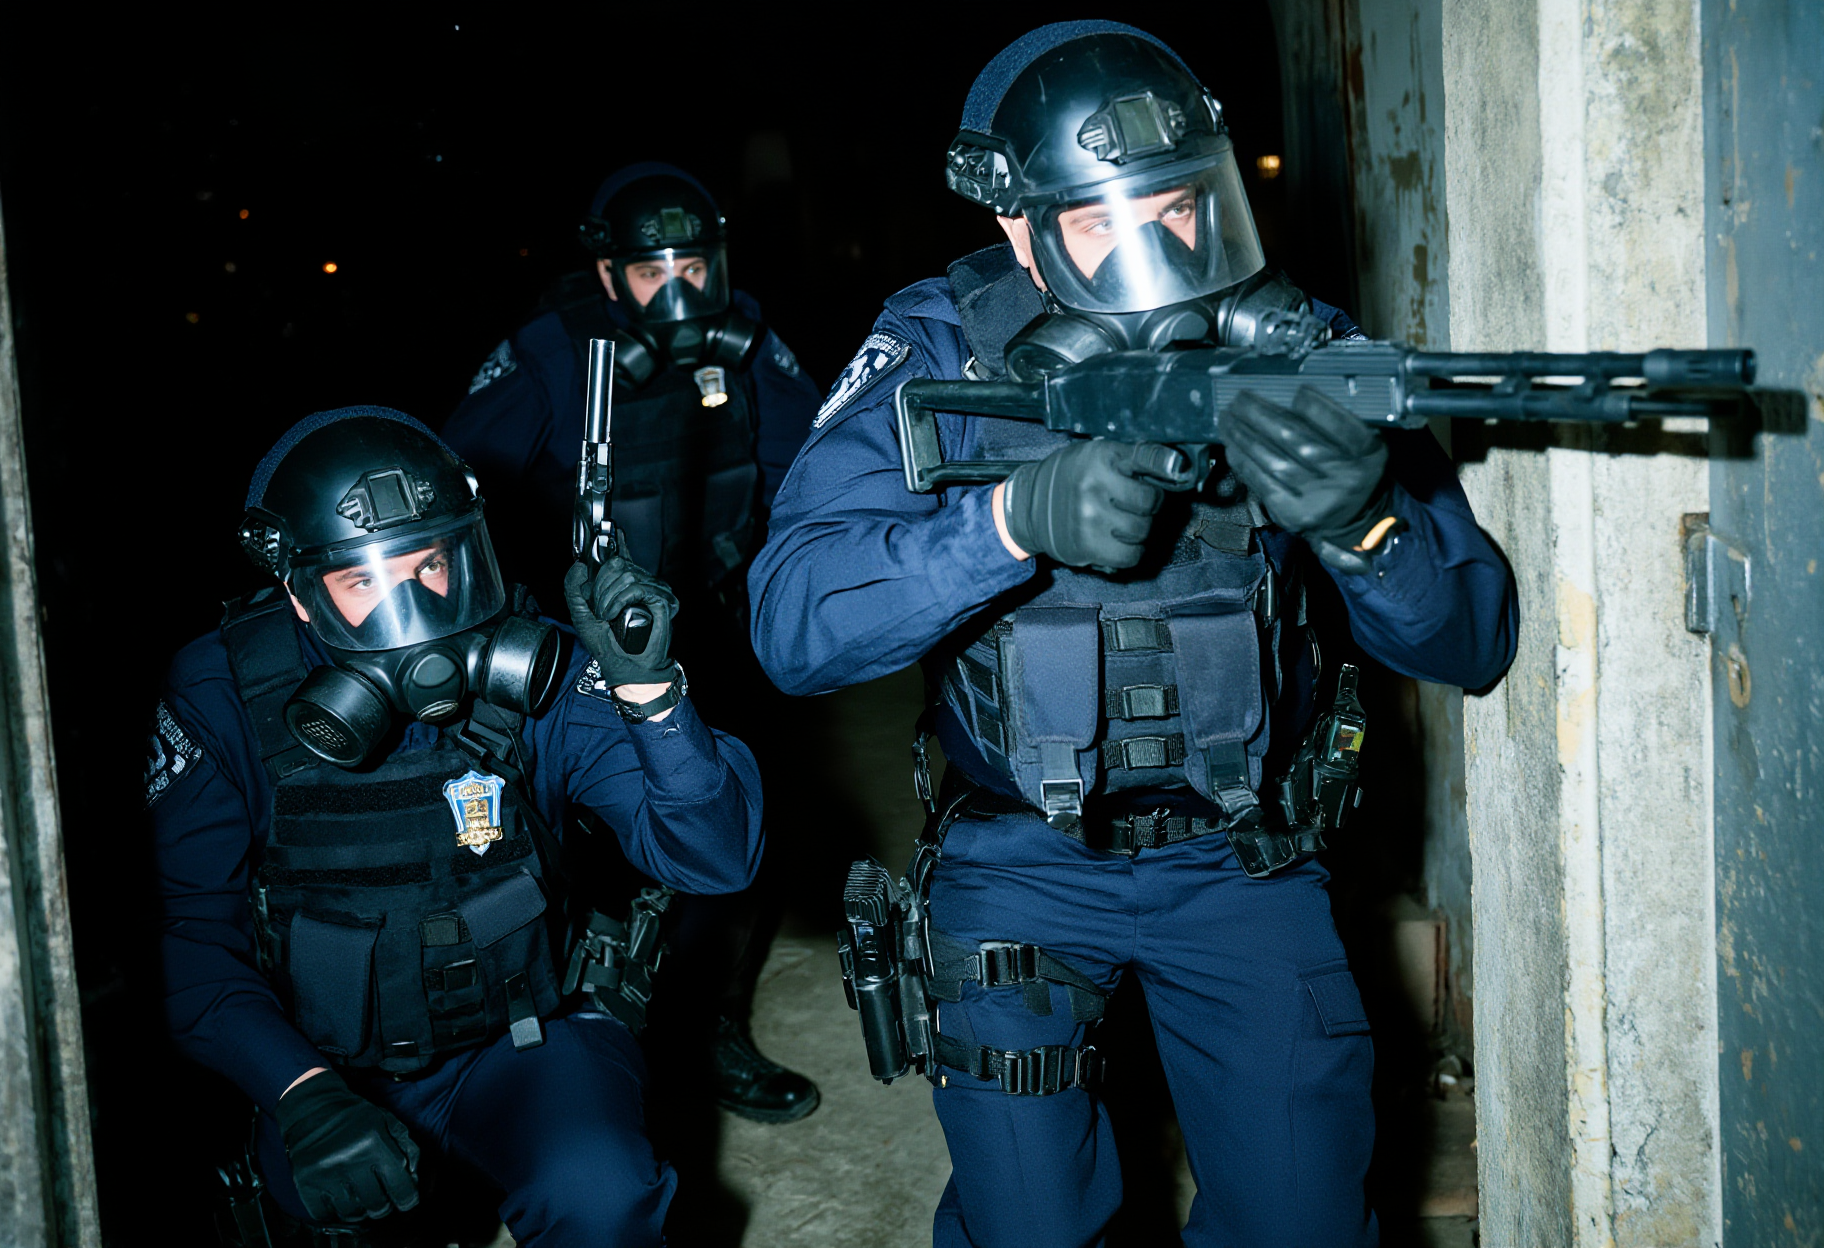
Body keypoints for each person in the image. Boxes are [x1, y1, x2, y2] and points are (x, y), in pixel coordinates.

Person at [747, 22, 1518, 1248]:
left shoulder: (1294, 345)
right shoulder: (939, 341)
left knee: (1304, 1221)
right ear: (1017, 226)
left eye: (1179, 209)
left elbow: (1473, 638)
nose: (1158, 255)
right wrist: (1005, 524)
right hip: (1017, 858)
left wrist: (1364, 522)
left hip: (1245, 852)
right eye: (1103, 224)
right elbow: (792, 626)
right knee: (1030, 1224)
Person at [147, 406, 762, 1245]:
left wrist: (649, 694)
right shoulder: (222, 694)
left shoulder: (536, 667)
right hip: (327, 1065)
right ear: (298, 591)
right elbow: (187, 931)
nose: (415, 606)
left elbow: (718, 860)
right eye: (364, 582)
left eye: (431, 564)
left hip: (523, 1040)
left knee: (601, 1193)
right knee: (314, 1214)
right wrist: (299, 1093)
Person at [442, 162, 823, 1124]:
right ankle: (596, 1049)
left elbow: (816, 467)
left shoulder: (746, 338)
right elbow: (462, 494)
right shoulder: (548, 352)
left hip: (715, 627)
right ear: (611, 275)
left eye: (694, 268)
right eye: (654, 273)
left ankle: (714, 1026)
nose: (679, 292)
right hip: (584, 648)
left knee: (730, 827)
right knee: (586, 857)